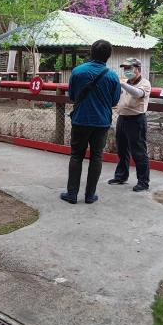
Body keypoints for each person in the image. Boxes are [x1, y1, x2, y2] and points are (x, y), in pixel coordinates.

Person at [60, 40, 121, 205]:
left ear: (91, 53)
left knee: (76, 156)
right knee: (96, 157)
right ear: (108, 56)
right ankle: (90, 195)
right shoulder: (112, 76)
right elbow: (115, 101)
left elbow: (72, 96)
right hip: (101, 122)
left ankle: (72, 194)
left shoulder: (78, 71)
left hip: (80, 119)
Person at [108, 58, 152, 192]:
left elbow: (138, 93)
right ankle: (121, 176)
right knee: (121, 149)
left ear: (138, 69)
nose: (126, 71)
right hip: (122, 118)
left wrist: (122, 84)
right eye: (125, 69)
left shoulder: (145, 83)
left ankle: (143, 182)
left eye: (129, 68)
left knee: (139, 152)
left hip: (136, 120)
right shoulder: (125, 82)